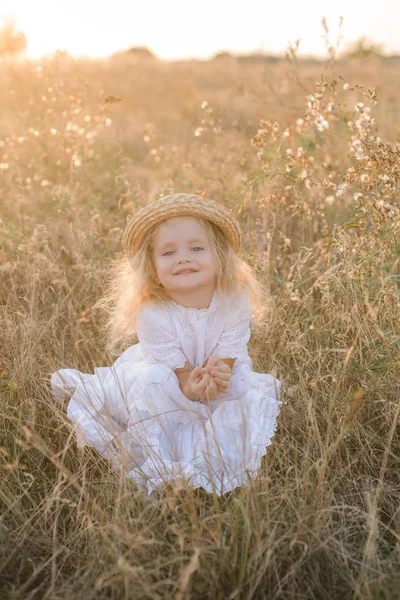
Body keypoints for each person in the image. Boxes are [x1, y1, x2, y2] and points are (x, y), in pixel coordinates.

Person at [51, 193, 281, 498]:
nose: (183, 258)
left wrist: (220, 376)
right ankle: (164, 465)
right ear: (153, 269)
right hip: (171, 380)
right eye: (168, 253)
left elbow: (229, 354)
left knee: (245, 398)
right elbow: (180, 376)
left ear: (219, 257)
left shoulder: (233, 302)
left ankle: (220, 459)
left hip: (213, 378)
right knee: (151, 385)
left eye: (196, 248)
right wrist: (191, 388)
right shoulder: (154, 313)